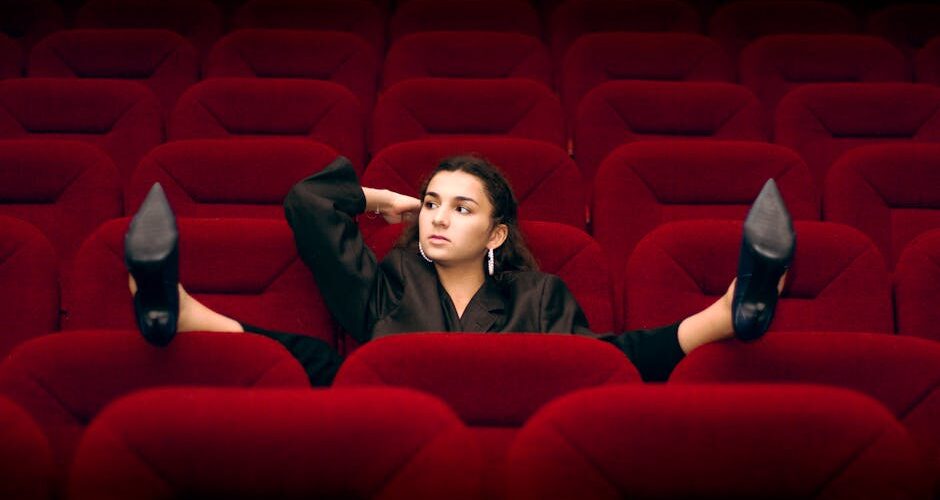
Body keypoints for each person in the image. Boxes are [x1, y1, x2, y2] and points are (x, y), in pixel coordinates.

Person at [125, 155, 794, 386]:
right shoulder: (387, 284)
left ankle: (731, 313)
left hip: (517, 431)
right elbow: (309, 203)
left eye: (461, 208)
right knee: (322, 366)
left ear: (496, 234)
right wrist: (381, 201)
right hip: (395, 430)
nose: (437, 218)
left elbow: (595, 370)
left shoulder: (539, 295)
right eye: (431, 204)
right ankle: (179, 312)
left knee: (610, 359)